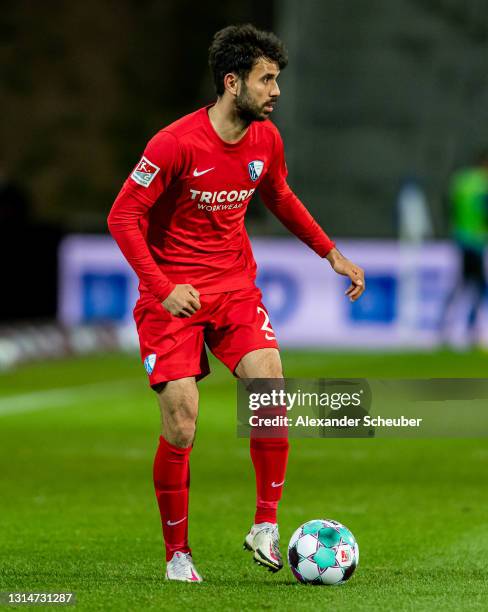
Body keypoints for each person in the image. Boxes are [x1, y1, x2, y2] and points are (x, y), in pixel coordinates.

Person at [108, 24, 365, 583]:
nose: (276, 91)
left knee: (269, 384)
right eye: (266, 79)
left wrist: (331, 254)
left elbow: (279, 196)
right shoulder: (173, 143)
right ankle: (178, 554)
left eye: (277, 79)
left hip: (234, 288)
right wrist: (161, 288)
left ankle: (265, 525)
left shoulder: (265, 140)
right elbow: (122, 216)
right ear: (232, 82)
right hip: (173, 296)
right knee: (182, 421)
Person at [439, 150, 488, 346]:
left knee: (462, 284)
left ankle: (445, 326)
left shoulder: (460, 181)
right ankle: (470, 328)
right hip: (476, 240)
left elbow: (448, 206)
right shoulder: (483, 184)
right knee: (477, 285)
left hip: (461, 237)